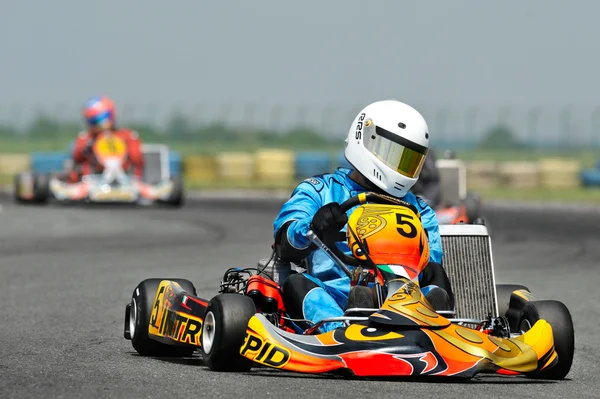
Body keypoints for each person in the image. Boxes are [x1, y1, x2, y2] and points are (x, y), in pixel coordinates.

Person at [272, 100, 454, 333]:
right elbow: (283, 242)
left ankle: (435, 331)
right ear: (366, 140)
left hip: (406, 299)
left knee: (435, 273)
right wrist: (314, 227)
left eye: (408, 160)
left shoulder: (418, 209)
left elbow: (431, 261)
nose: (399, 167)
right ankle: (340, 332)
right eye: (393, 154)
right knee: (296, 284)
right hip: (336, 296)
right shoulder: (320, 190)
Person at [67, 96, 144, 183]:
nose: (101, 124)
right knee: (81, 166)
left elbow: (137, 158)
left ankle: (137, 181)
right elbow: (76, 158)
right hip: (93, 177)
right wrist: (86, 149)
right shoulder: (86, 138)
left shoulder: (127, 135)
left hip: (125, 175)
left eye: (103, 118)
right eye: (95, 121)